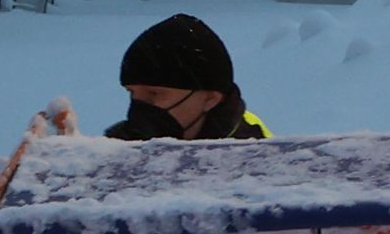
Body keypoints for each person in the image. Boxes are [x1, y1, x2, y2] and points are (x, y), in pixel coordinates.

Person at [105, 12, 269, 142]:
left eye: (154, 94)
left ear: (210, 99)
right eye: (131, 93)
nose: (138, 108)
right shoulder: (114, 153)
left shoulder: (259, 160)